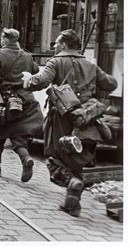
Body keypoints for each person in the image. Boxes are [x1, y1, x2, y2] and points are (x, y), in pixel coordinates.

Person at [23, 29, 117, 217]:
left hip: (62, 118)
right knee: (78, 158)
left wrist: (27, 80)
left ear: (64, 44)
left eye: (57, 43)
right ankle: (73, 203)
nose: (55, 46)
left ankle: (71, 183)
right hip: (87, 118)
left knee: (54, 157)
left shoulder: (55, 61)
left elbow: (41, 81)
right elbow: (111, 84)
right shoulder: (90, 64)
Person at [0, 28, 44, 182]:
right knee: (17, 133)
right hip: (24, 100)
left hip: (3, 101)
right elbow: (35, 69)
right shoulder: (26, 55)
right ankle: (26, 158)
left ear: (5, 39)